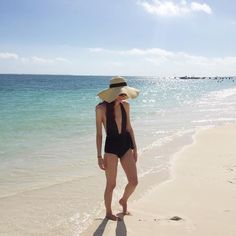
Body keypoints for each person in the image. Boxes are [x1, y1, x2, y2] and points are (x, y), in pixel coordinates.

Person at [95, 76, 140, 221]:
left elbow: (129, 128)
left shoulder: (126, 105)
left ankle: (123, 200)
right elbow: (99, 134)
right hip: (111, 147)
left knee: (134, 181)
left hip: (126, 145)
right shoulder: (100, 109)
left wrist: (135, 148)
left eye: (125, 93)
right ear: (113, 93)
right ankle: (108, 212)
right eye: (121, 93)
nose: (124, 96)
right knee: (111, 183)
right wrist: (99, 156)